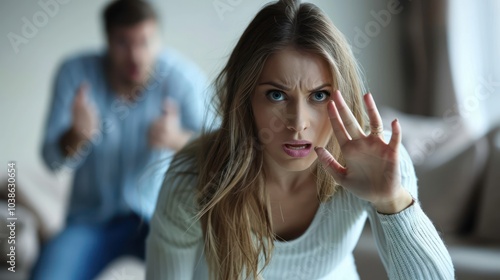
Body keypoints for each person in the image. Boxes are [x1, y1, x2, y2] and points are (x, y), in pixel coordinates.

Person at [145, 0, 455, 279]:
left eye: (319, 95)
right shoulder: (192, 177)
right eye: (276, 95)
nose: (298, 124)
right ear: (245, 100)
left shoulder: (378, 161)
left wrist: (392, 201)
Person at [31, 0, 210, 279]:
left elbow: (225, 149)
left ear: (158, 38)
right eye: (123, 43)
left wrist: (178, 140)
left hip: (159, 218)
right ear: (107, 40)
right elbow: (51, 161)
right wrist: (75, 137)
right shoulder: (75, 73)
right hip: (89, 222)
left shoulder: (180, 77)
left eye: (145, 42)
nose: (136, 56)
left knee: (208, 265)